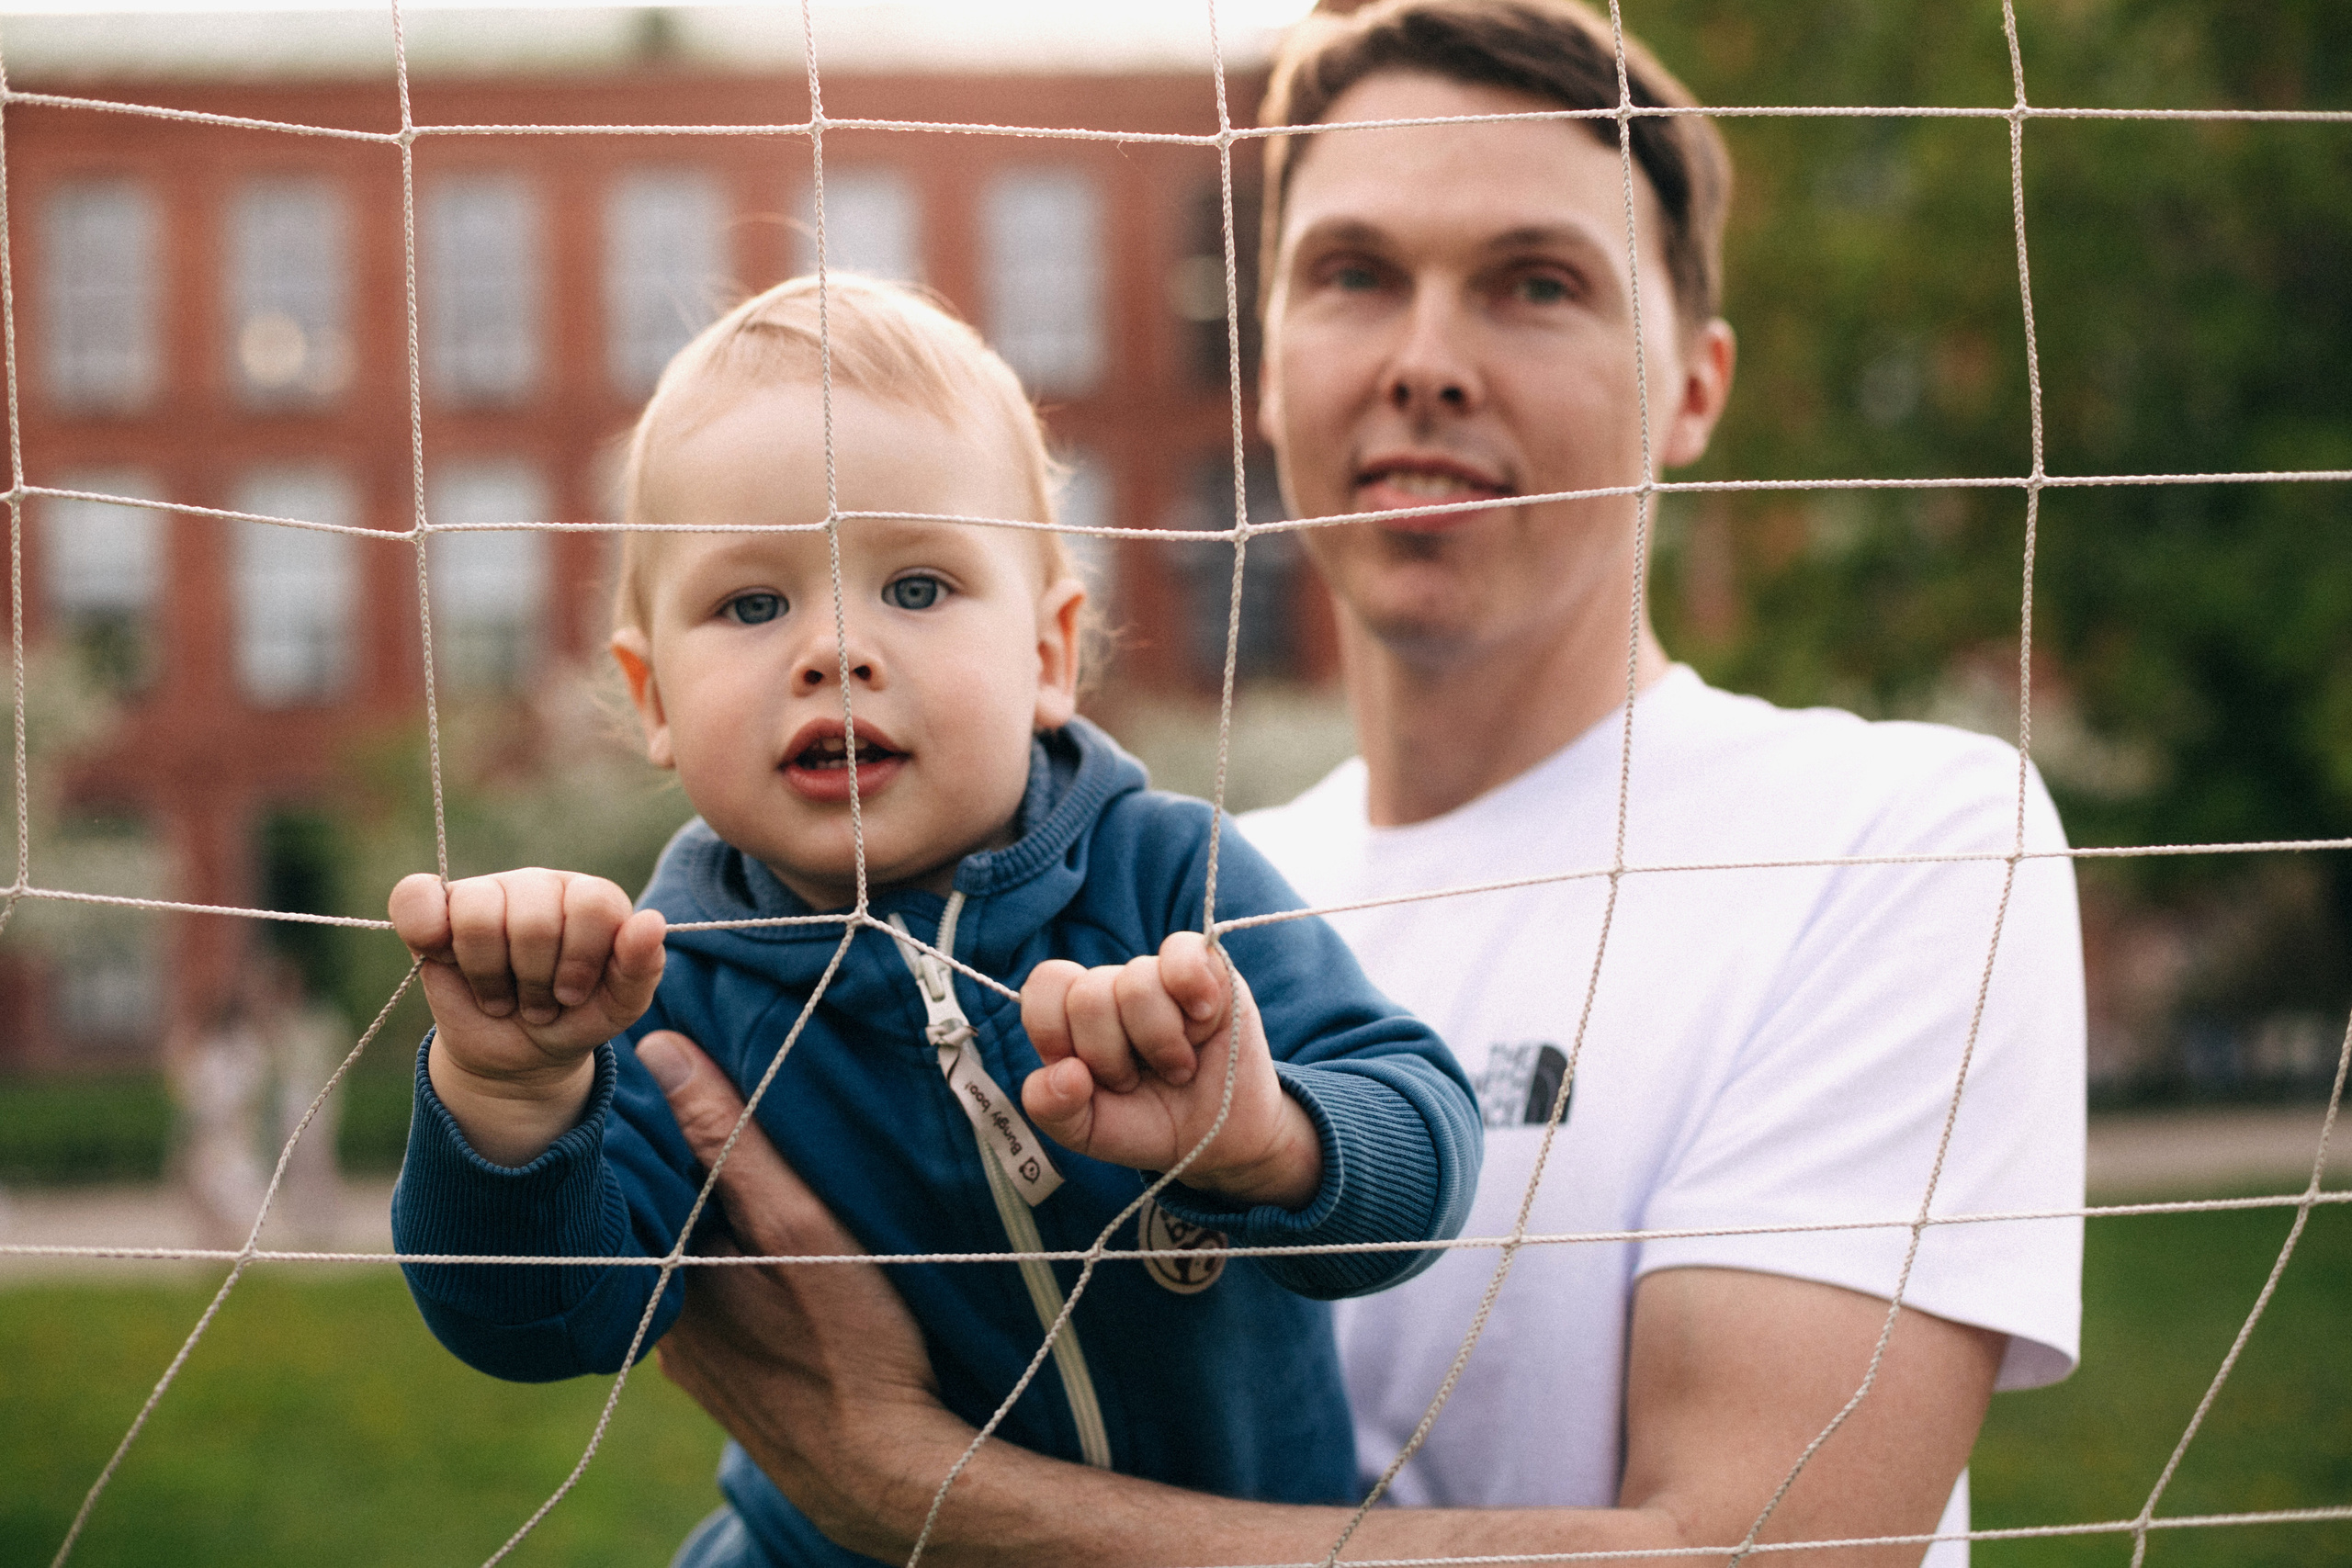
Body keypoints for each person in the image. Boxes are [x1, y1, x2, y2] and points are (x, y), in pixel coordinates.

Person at [640, 3, 2087, 1567]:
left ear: (1695, 387)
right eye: (1354, 275)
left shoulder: (1898, 842)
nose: (1425, 363)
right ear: (1267, 367)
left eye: (1539, 284)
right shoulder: (1153, 913)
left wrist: (914, 1491)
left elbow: (1767, 1558)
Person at [386, 276, 1483, 1568]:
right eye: (751, 605)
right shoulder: (660, 985)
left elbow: (1424, 1147)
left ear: (1048, 655)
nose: (836, 647)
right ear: (651, 697)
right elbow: (546, 1327)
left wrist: (1269, 1138)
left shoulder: (1168, 876)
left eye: (916, 588)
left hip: (1232, 1537)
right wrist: (509, 1095)